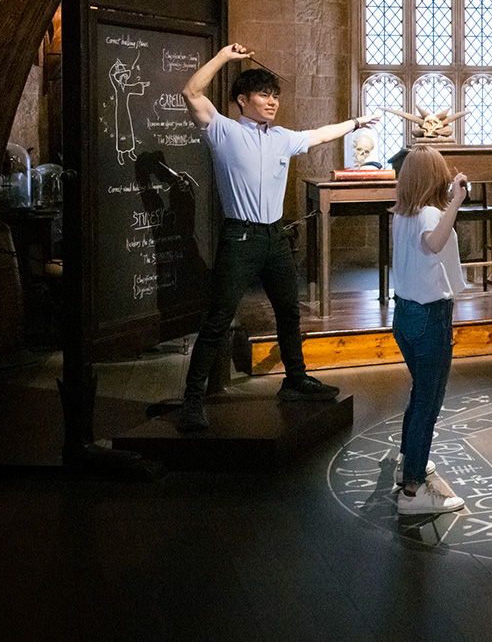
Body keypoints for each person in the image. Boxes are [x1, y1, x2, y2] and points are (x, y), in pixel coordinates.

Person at [175, 43, 379, 431]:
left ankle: (295, 381)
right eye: (263, 95)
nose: (272, 102)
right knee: (218, 319)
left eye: (274, 96)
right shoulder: (224, 131)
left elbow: (319, 135)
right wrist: (223, 57)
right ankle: (192, 399)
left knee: (289, 312)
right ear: (242, 100)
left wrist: (355, 123)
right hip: (240, 238)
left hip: (274, 238)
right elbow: (191, 93)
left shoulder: (282, 137)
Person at [389, 146, 470, 515]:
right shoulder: (429, 213)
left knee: (419, 394)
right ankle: (413, 491)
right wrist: (456, 201)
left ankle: (407, 464)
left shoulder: (402, 214)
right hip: (428, 318)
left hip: (404, 317)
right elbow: (434, 243)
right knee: (428, 403)